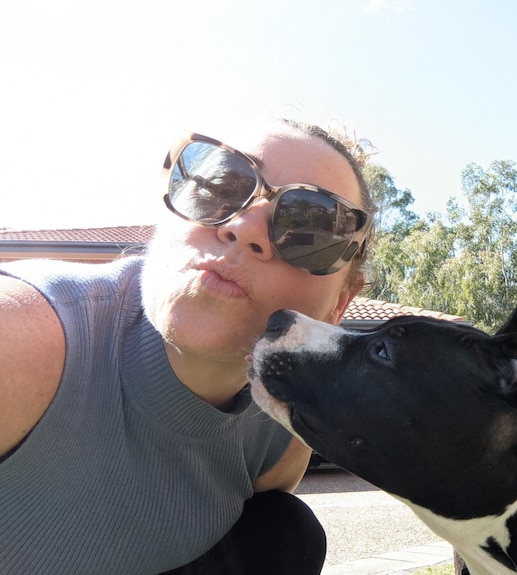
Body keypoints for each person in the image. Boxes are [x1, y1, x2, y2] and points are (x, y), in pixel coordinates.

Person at [0, 119, 377, 574]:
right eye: (221, 185)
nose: (245, 226)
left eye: (310, 226)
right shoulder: (24, 339)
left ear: (340, 303)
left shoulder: (280, 434)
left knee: (285, 532)